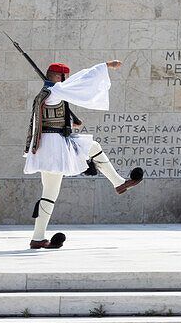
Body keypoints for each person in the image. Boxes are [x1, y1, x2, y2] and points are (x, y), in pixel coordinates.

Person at [24, 60, 143, 249]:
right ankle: (119, 183)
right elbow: (82, 80)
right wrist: (104, 66)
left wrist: (71, 123)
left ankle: (38, 238)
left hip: (50, 145)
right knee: (51, 191)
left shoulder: (47, 92)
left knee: (52, 190)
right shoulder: (55, 91)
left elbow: (51, 118)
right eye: (65, 77)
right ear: (58, 77)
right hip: (54, 147)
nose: (68, 81)